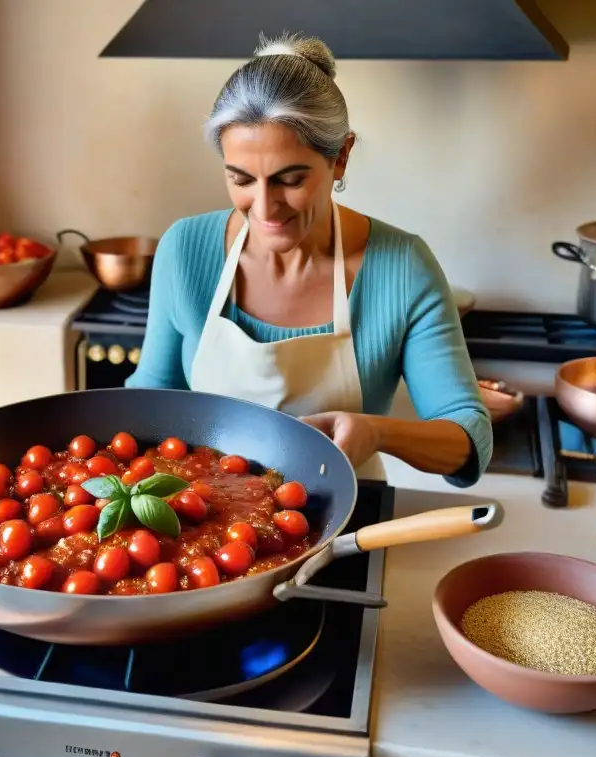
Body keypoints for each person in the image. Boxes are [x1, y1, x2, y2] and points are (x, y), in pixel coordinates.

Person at [124, 33, 492, 486]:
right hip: (201, 519)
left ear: (341, 158)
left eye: (290, 180)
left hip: (346, 515)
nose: (264, 207)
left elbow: (469, 438)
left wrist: (377, 432)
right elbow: (147, 402)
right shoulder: (184, 249)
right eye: (240, 179)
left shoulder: (401, 267)